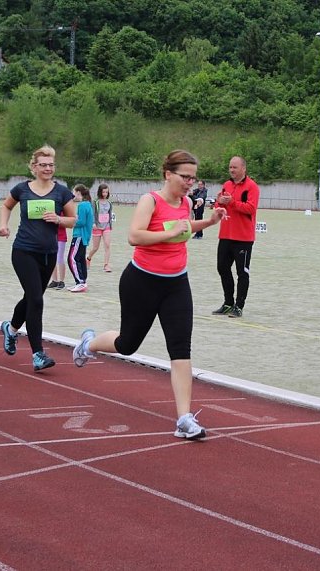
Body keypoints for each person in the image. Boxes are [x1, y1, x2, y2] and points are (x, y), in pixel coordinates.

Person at [71, 150, 226, 440]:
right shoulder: (149, 200)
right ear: (168, 174)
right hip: (141, 282)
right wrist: (169, 234)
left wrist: (208, 222)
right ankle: (89, 344)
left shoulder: (187, 202)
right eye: (185, 177)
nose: (190, 182)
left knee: (180, 349)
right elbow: (135, 236)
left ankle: (184, 418)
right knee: (127, 344)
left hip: (177, 284)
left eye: (193, 178)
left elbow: (183, 229)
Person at [0, 145, 76, 371]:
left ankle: (11, 330)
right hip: (23, 251)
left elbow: (75, 219)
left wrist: (59, 219)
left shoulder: (61, 192)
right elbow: (6, 206)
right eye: (43, 164)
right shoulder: (22, 189)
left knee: (32, 298)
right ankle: (38, 354)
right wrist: (3, 225)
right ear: (34, 167)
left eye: (51, 165)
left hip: (49, 254)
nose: (48, 168)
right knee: (37, 300)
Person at [212, 156, 260, 318]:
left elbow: (250, 209)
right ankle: (227, 303)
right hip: (225, 235)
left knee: (242, 273)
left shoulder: (252, 187)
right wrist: (218, 204)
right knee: (222, 268)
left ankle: (239, 306)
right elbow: (219, 203)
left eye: (235, 167)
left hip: (243, 238)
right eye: (230, 167)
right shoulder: (226, 184)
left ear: (243, 169)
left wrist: (231, 202)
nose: (231, 170)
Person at [68, 184, 94, 292]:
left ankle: (80, 282)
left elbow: (81, 221)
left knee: (72, 258)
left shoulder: (83, 205)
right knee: (80, 258)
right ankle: (82, 281)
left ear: (78, 193)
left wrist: (71, 221)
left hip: (79, 236)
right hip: (83, 236)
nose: (73, 195)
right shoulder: (87, 204)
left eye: (74, 192)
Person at [86, 183, 113, 272]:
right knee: (95, 248)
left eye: (106, 192)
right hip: (97, 226)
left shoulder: (109, 203)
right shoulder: (95, 202)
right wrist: (93, 223)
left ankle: (106, 265)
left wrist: (110, 225)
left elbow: (110, 214)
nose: (105, 194)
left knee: (107, 245)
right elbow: (92, 213)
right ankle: (88, 259)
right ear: (100, 192)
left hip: (107, 226)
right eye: (103, 192)